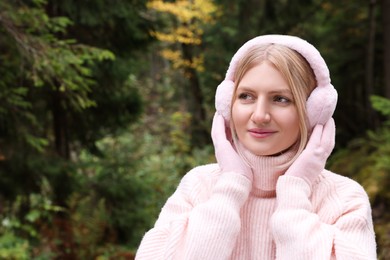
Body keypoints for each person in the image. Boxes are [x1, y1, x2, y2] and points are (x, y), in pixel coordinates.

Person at [135, 35, 377, 259]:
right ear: (227, 103)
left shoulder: (344, 198)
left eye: (281, 99)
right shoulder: (199, 186)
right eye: (246, 96)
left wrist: (295, 191)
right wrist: (231, 185)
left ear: (313, 111)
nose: (260, 115)